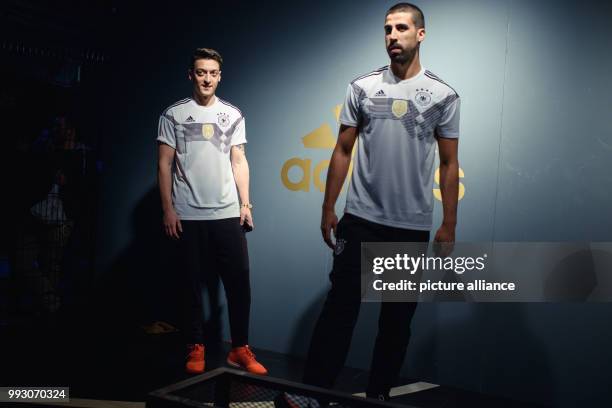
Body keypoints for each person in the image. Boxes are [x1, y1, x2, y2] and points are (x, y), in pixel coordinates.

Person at [302, 3, 460, 401]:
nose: (392, 35)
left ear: (420, 35)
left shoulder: (444, 95)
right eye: (387, 29)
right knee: (340, 313)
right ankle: (311, 393)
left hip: (410, 227)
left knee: (396, 323)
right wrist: (327, 207)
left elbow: (449, 161)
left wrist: (449, 223)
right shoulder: (362, 87)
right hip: (361, 220)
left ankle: (378, 396)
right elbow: (342, 150)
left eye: (402, 28)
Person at [157, 48, 267, 375]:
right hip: (187, 214)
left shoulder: (232, 114)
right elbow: (164, 164)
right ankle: (196, 345)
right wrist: (168, 209)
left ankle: (240, 348)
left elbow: (239, 161)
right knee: (189, 284)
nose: (207, 79)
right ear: (191, 75)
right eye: (201, 72)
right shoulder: (173, 114)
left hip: (227, 214)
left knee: (239, 284)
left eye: (213, 73)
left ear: (220, 76)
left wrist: (245, 204)